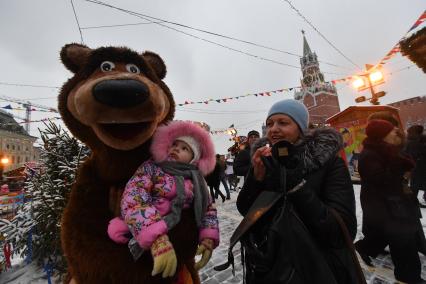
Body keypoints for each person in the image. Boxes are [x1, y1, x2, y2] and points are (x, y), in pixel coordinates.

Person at [236, 99, 358, 283]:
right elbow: (246, 210)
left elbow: (342, 232)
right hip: (270, 265)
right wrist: (256, 178)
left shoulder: (329, 163)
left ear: (301, 127)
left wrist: (296, 186)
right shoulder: (267, 161)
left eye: (283, 123)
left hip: (315, 267)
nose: (273, 129)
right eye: (270, 124)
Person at [107, 121, 219, 279]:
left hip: (181, 250)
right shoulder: (153, 167)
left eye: (185, 148)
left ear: (193, 159)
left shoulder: (197, 180)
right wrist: (156, 239)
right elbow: (135, 196)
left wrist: (208, 237)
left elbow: (208, 208)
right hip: (149, 240)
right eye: (175, 144)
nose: (177, 149)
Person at [355, 119, 426, 283]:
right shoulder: (369, 155)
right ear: (382, 135)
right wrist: (401, 170)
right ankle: (409, 277)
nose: (397, 132)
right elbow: (380, 181)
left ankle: (362, 247)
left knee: (389, 236)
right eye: (392, 131)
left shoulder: (390, 150)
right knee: (403, 242)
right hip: (385, 205)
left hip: (397, 203)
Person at [404, 125, 426, 204]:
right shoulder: (417, 142)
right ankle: (411, 201)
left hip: (415, 167)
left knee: (414, 185)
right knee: (415, 185)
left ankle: (411, 200)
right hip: (418, 166)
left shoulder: (408, 141)